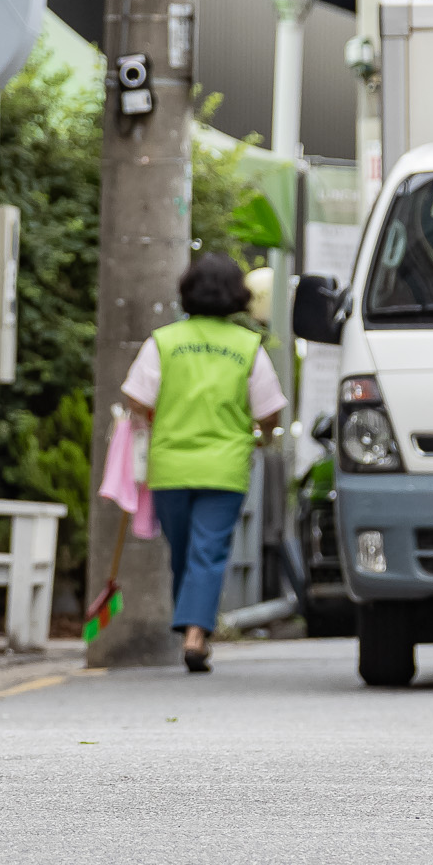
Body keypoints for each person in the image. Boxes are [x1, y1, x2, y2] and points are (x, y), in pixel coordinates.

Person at [120, 253, 286, 672]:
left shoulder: (164, 341)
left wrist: (160, 419)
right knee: (207, 553)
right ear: (237, 296)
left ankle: (193, 631)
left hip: (171, 465)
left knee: (184, 553)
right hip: (224, 467)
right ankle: (197, 632)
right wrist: (262, 437)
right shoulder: (249, 348)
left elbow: (136, 398)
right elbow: (270, 410)